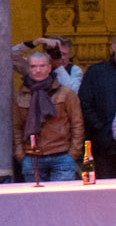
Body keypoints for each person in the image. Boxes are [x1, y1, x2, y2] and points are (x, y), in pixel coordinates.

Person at [13, 51, 85, 181]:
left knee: (62, 199)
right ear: (28, 69)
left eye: (42, 66)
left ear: (50, 67)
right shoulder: (20, 95)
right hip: (31, 157)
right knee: (35, 200)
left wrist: (73, 153)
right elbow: (16, 127)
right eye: (33, 66)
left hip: (61, 155)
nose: (38, 70)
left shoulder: (66, 93)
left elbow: (77, 124)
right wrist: (20, 154)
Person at [79, 31, 116, 178]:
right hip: (102, 141)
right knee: (104, 185)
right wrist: (100, 128)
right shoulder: (96, 71)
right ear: (114, 46)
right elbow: (85, 104)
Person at [12, 36, 85, 91]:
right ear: (46, 53)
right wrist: (36, 42)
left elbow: (73, 93)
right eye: (57, 53)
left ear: (69, 54)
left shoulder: (74, 70)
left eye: (64, 54)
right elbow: (11, 57)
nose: (61, 57)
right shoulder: (35, 67)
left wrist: (58, 67)